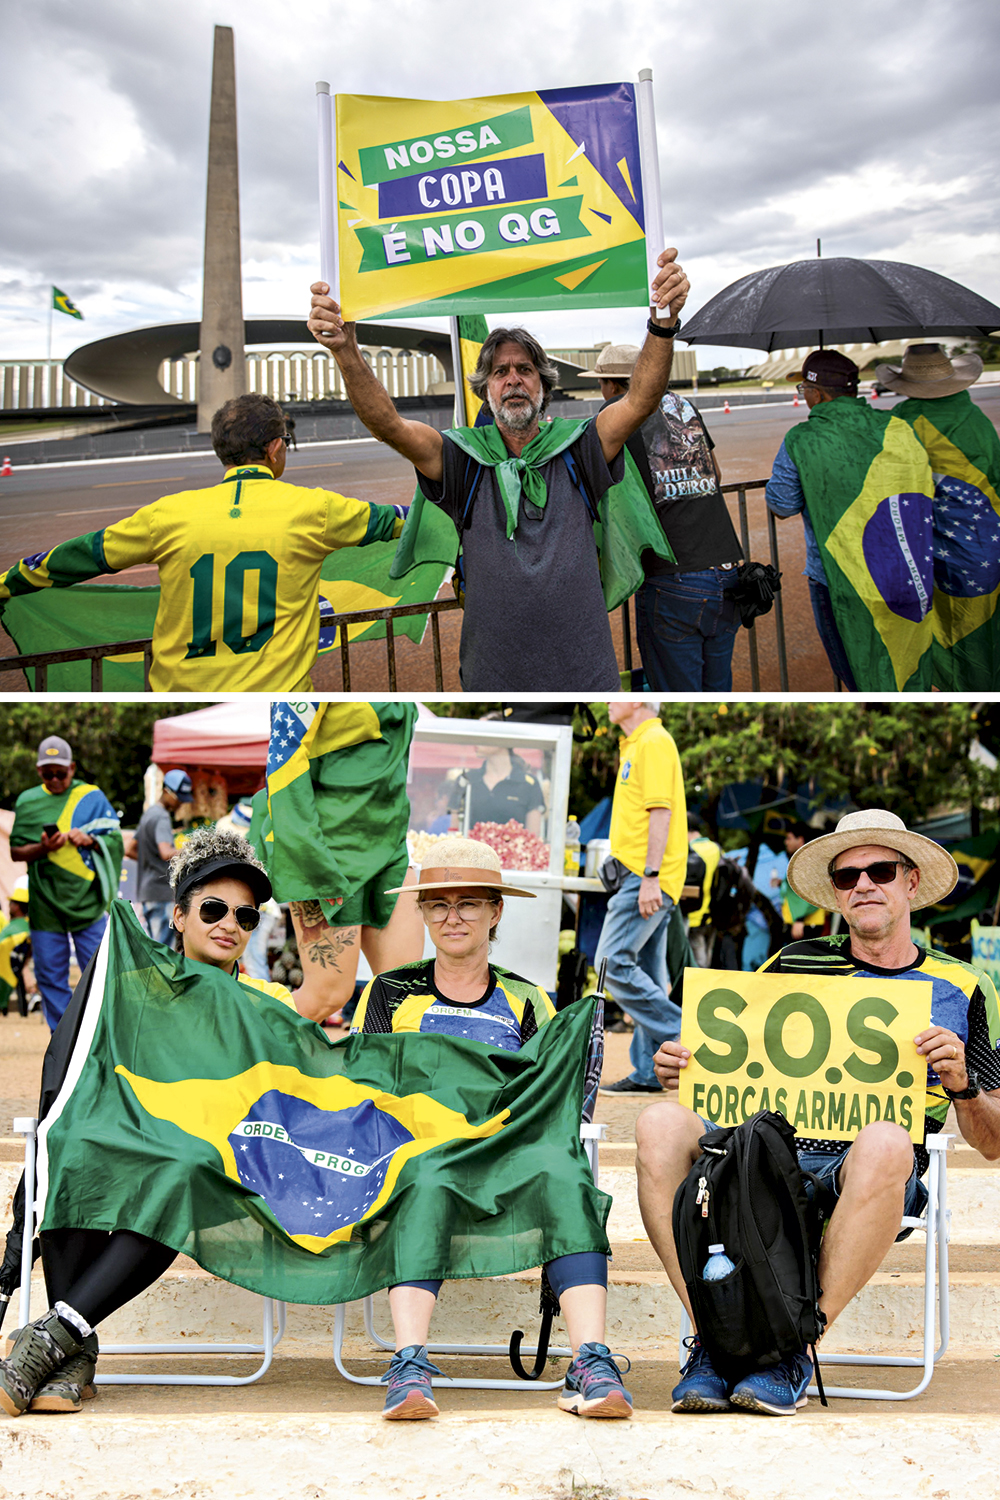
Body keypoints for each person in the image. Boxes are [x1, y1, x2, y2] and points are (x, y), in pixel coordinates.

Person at [635, 807, 1000, 1417]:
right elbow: (730, 1064)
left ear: (911, 883)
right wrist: (684, 1066)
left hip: (873, 1168)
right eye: (847, 876)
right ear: (834, 893)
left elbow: (993, 1144)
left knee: (886, 1141)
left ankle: (792, 1349)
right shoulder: (791, 963)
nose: (863, 886)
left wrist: (962, 1084)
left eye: (880, 871)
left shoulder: (962, 985)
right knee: (658, 1122)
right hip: (764, 1156)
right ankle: (714, 1339)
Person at [0, 827, 341, 1418]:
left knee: (184, 1163)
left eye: (246, 915)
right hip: (122, 1144)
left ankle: (56, 1336)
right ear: (178, 915)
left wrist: (316, 891)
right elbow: (82, 1080)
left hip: (211, 1164)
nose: (229, 923)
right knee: (77, 1141)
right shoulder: (129, 990)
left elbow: (328, 990)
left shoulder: (261, 1001)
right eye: (212, 908)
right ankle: (72, 1350)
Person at [307, 252, 690, 690]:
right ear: (485, 389)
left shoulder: (580, 445)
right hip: (494, 678)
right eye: (500, 372)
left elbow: (640, 400)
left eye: (524, 370)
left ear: (543, 386)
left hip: (585, 675)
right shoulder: (459, 458)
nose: (513, 380)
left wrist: (662, 324)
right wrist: (345, 350)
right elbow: (388, 425)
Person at [350, 837, 632, 1422]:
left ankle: (590, 1361)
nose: (452, 917)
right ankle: (409, 1365)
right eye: (438, 904)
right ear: (423, 913)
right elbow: (360, 1089)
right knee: (425, 1173)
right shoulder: (387, 992)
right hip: (416, 1158)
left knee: (564, 1172)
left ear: (496, 911)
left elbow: (553, 1098)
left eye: (469, 903)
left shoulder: (529, 1000)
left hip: (509, 1162)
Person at [0, 394, 407, 692]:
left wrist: (9, 582)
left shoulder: (168, 514)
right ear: (276, 448)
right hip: (275, 701)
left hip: (181, 697)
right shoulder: (315, 508)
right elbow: (399, 521)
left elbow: (82, 555)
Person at [765, 350, 934, 692]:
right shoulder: (897, 427)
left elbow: (781, 504)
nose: (804, 397)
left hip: (836, 577)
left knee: (857, 671)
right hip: (907, 569)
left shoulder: (802, 438)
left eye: (804, 390)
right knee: (906, 663)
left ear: (819, 393)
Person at [583, 344, 743, 690]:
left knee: (676, 694)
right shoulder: (684, 405)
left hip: (674, 577)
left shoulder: (613, 414)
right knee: (717, 690)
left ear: (613, 384)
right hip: (727, 569)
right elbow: (714, 473)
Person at [876, 343, 1000, 689]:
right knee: (984, 634)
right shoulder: (976, 419)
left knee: (943, 635)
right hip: (985, 545)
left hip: (936, 552)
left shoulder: (903, 419)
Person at [597, 701, 688, 1095]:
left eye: (616, 695)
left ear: (637, 701)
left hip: (644, 875)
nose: (607, 699)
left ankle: (687, 1037)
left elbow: (660, 813)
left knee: (612, 962)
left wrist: (651, 875)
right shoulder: (638, 742)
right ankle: (649, 1073)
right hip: (641, 873)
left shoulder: (652, 740)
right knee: (647, 973)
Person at [9, 737, 123, 1032]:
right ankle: (62, 1041)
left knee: (100, 970)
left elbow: (116, 838)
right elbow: (16, 851)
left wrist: (92, 839)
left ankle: (99, 1035)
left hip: (87, 901)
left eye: (61, 772)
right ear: (38, 772)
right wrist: (43, 848)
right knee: (49, 976)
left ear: (72, 768)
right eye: (48, 774)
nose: (56, 779)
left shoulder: (91, 797)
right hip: (45, 902)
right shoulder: (27, 801)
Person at [130, 770, 192, 945]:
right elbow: (166, 852)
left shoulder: (149, 814)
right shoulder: (162, 817)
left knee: (156, 947)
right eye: (179, 797)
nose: (180, 803)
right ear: (167, 791)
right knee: (164, 952)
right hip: (161, 893)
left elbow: (130, 849)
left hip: (147, 892)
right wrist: (193, 849)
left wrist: (150, 861)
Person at [462, 742, 545, 836]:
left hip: (514, 849)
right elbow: (455, 830)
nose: (478, 741)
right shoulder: (467, 779)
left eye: (487, 736)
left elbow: (532, 837)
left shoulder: (528, 783)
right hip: (473, 849)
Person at [684, 814, 723, 967]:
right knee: (706, 960)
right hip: (713, 915)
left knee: (696, 967)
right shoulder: (716, 848)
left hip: (693, 915)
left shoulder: (691, 851)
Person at [780, 822, 827, 941]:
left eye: (789, 838)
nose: (786, 842)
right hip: (798, 922)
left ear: (800, 839)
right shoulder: (800, 861)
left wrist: (800, 920)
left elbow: (816, 892)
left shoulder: (809, 862)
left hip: (806, 923)